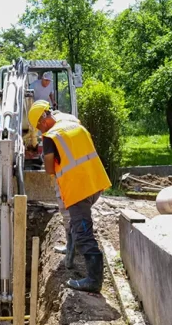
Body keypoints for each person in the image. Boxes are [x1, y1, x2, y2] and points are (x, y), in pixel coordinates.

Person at [28, 101, 112, 293]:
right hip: (95, 182)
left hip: (78, 190)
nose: (40, 131)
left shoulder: (51, 137)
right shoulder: (72, 123)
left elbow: (49, 168)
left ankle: (93, 281)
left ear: (43, 119)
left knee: (84, 233)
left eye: (39, 126)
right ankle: (73, 251)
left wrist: (46, 156)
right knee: (77, 224)